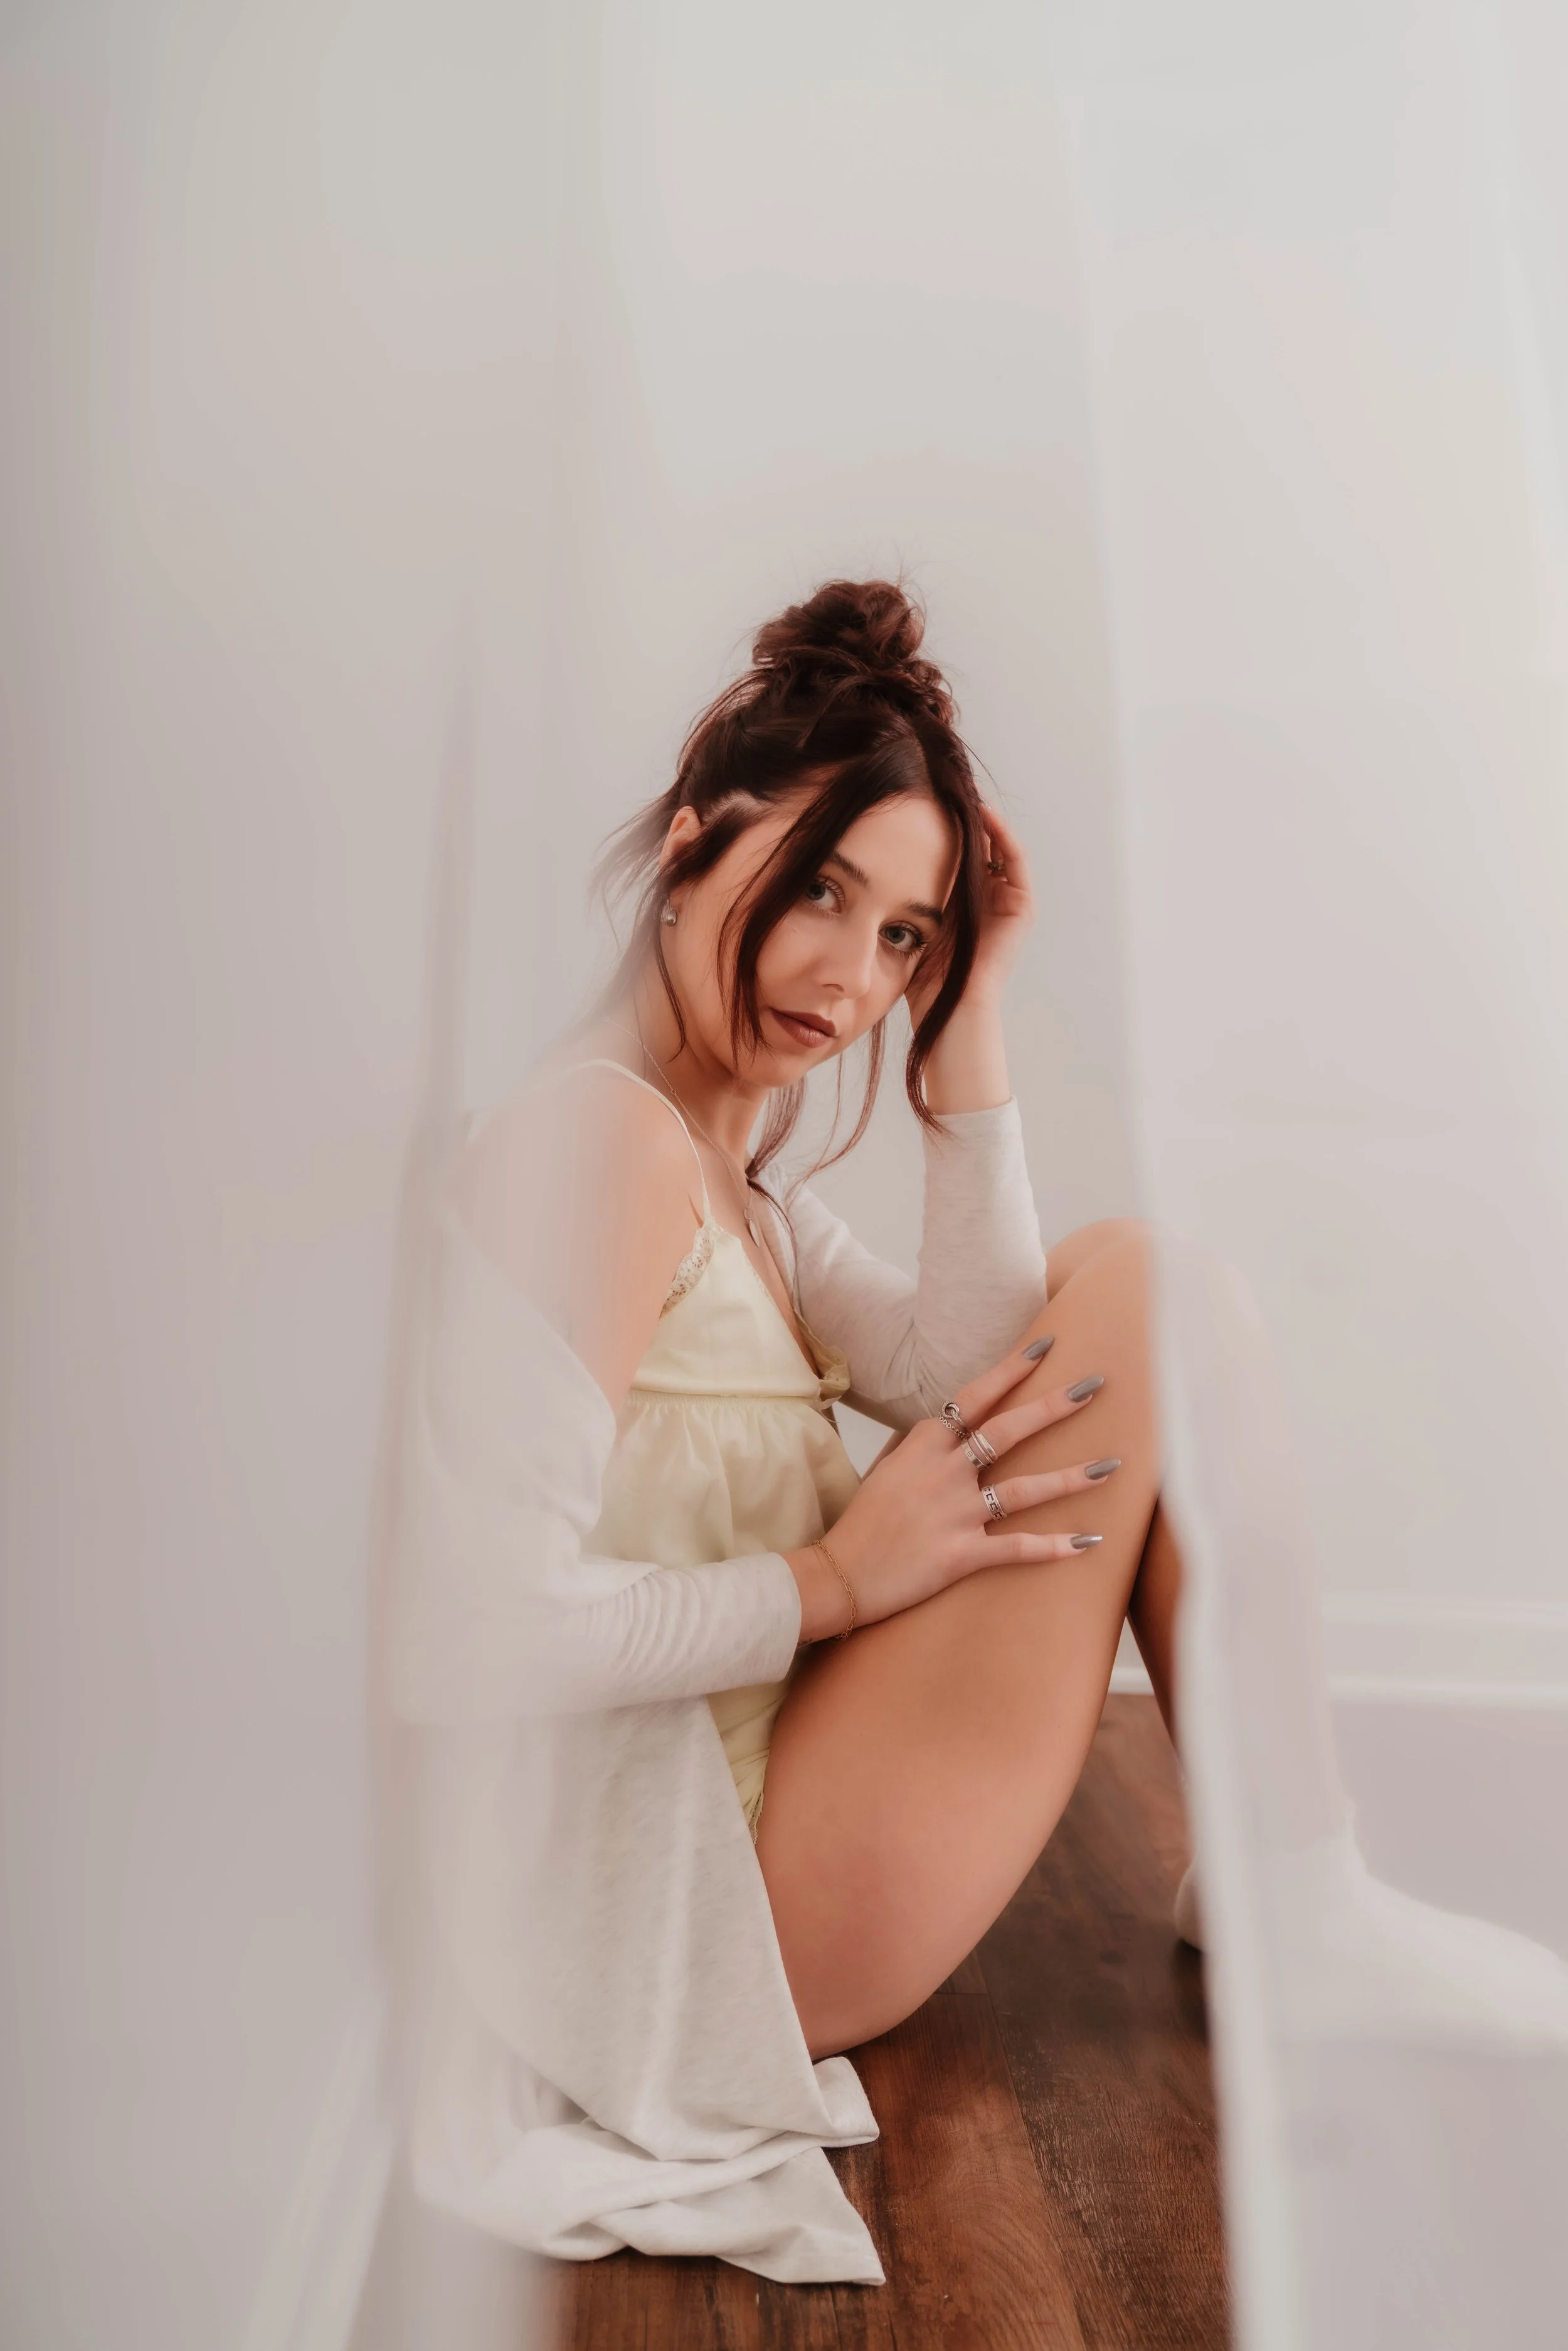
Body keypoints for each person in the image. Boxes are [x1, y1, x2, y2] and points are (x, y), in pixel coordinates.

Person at [453, 576, 1186, 2064]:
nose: (853, 980)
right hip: (685, 1918)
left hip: (744, 1835)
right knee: (1145, 1288)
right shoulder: (606, 1143)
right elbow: (475, 1628)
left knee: (1116, 1266)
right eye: (818, 889)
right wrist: (833, 1580)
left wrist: (963, 1008)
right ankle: (1294, 1881)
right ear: (687, 850)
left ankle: (1288, 1882)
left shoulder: (742, 1188)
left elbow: (975, 1372)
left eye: (904, 936)